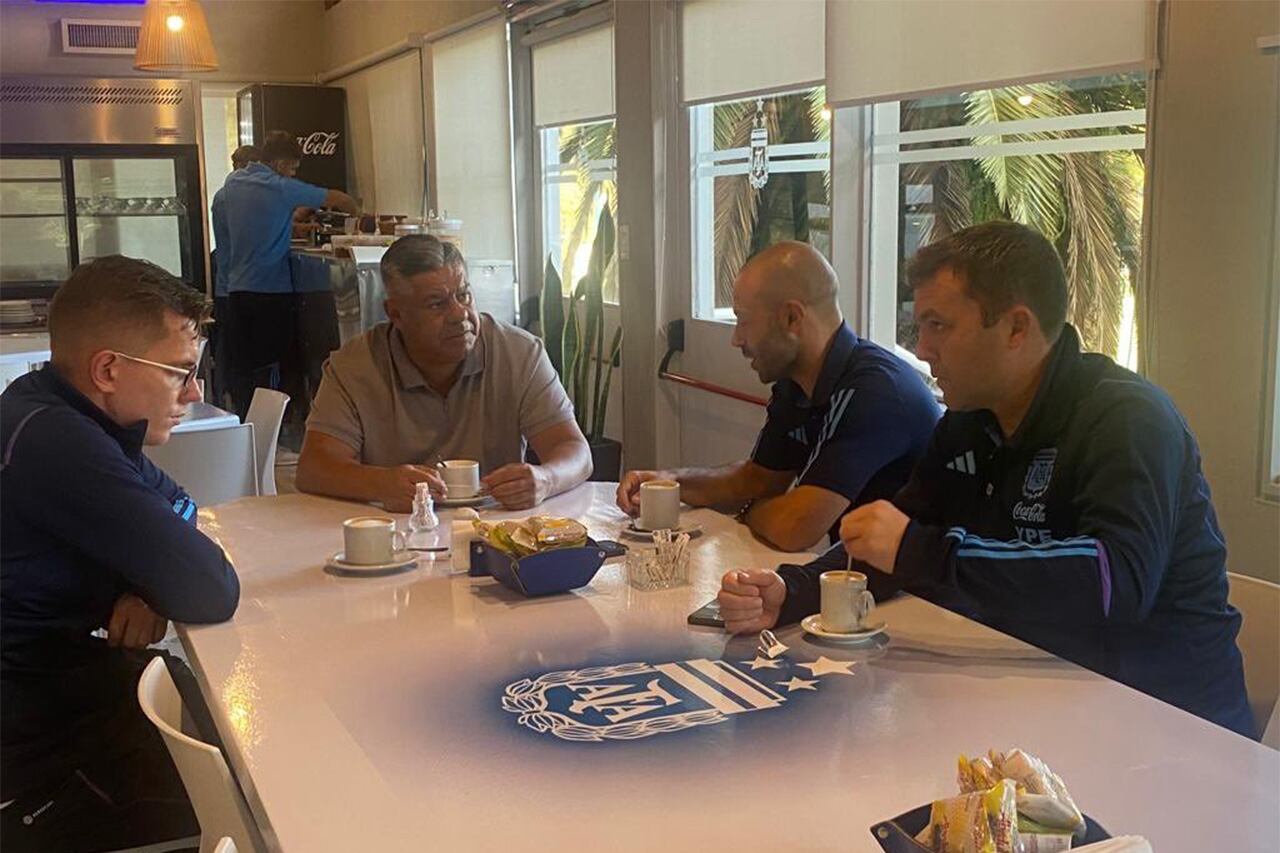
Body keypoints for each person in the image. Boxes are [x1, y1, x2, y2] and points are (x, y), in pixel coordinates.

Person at [716, 222, 1254, 736]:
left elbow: (1115, 583)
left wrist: (922, 552)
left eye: (938, 325)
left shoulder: (1128, 420)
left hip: (1170, 727)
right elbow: (893, 538)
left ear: (1017, 328)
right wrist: (794, 591)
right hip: (1036, 697)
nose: (921, 348)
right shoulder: (969, 420)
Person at [0, 256, 242, 851]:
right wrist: (160, 574)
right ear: (108, 369)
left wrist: (143, 585)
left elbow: (181, 503)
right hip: (34, 756)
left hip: (61, 697)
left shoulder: (47, 405)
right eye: (180, 372)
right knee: (254, 792)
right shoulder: (57, 443)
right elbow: (211, 588)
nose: (195, 392)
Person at [618, 241, 940, 551]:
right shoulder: (796, 381)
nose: (736, 339)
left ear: (791, 318)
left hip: (915, 586)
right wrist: (667, 483)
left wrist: (749, 508)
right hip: (861, 573)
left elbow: (795, 528)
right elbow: (757, 479)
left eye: (743, 321)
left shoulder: (874, 393)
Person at [295, 234, 593, 511]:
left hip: (495, 526)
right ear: (395, 314)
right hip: (397, 530)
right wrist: (380, 483)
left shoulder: (519, 353)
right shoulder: (355, 365)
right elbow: (314, 468)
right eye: (436, 304)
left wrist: (546, 479)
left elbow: (575, 451)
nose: (459, 314)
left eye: (464, 295)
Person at [220, 129, 359, 418]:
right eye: (293, 168)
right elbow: (341, 200)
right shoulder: (280, 187)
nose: (294, 174)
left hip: (237, 289)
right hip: (271, 290)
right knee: (273, 363)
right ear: (282, 163)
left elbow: (261, 219)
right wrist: (357, 219)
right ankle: (273, 427)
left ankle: (246, 424)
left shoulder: (234, 183)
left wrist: (293, 223)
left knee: (244, 365)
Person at [209, 143, 261, 408]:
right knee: (247, 359)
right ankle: (246, 412)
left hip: (228, 289)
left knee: (232, 353)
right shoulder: (238, 197)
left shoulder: (223, 195)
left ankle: (234, 407)